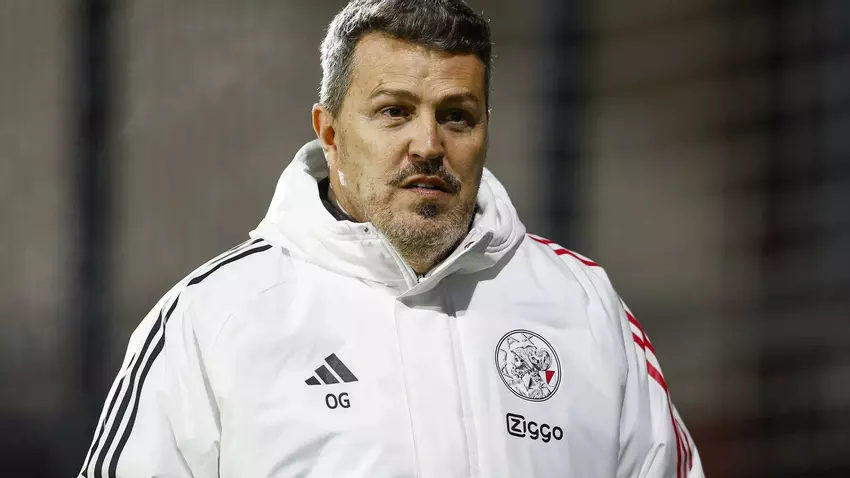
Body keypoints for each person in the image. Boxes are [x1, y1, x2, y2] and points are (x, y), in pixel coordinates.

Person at [79, 0, 703, 476]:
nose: (428, 144)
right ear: (329, 133)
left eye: (455, 115)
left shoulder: (586, 305)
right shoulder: (211, 318)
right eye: (394, 111)